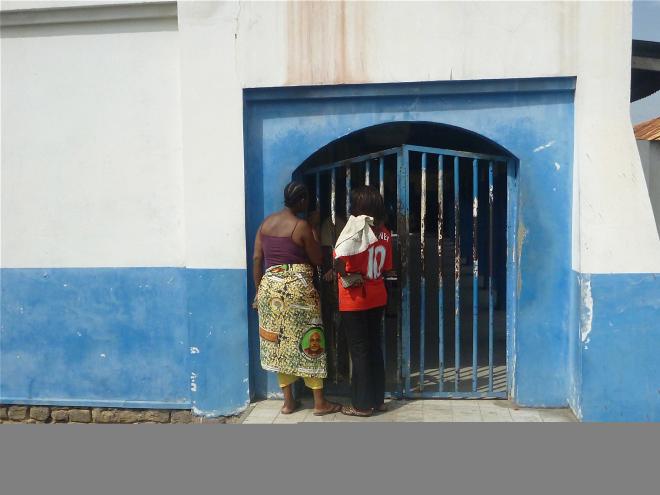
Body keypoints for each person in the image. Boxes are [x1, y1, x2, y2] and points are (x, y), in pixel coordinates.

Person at [252, 181, 342, 416]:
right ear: (302, 201)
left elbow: (256, 259)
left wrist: (258, 292)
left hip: (270, 290)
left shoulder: (265, 224)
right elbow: (316, 258)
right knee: (310, 338)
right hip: (297, 291)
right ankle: (320, 403)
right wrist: (312, 227)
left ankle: (288, 402)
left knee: (279, 344)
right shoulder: (300, 226)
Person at [334, 185, 394, 417]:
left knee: (359, 352)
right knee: (374, 348)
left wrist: (344, 274)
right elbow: (388, 267)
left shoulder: (355, 231)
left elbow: (338, 258)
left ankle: (361, 405)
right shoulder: (385, 233)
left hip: (355, 299)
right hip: (377, 295)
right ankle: (377, 400)